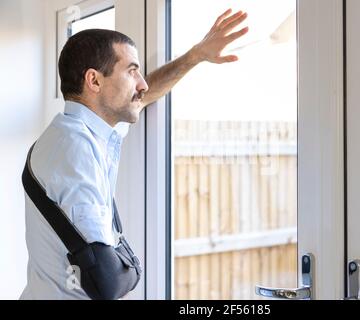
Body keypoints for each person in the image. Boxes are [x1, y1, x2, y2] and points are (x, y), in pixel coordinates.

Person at [20, 9, 248, 300]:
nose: (142, 83)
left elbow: (144, 96)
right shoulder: (77, 153)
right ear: (94, 81)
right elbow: (108, 280)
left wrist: (196, 55)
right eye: (131, 71)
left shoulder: (77, 131)